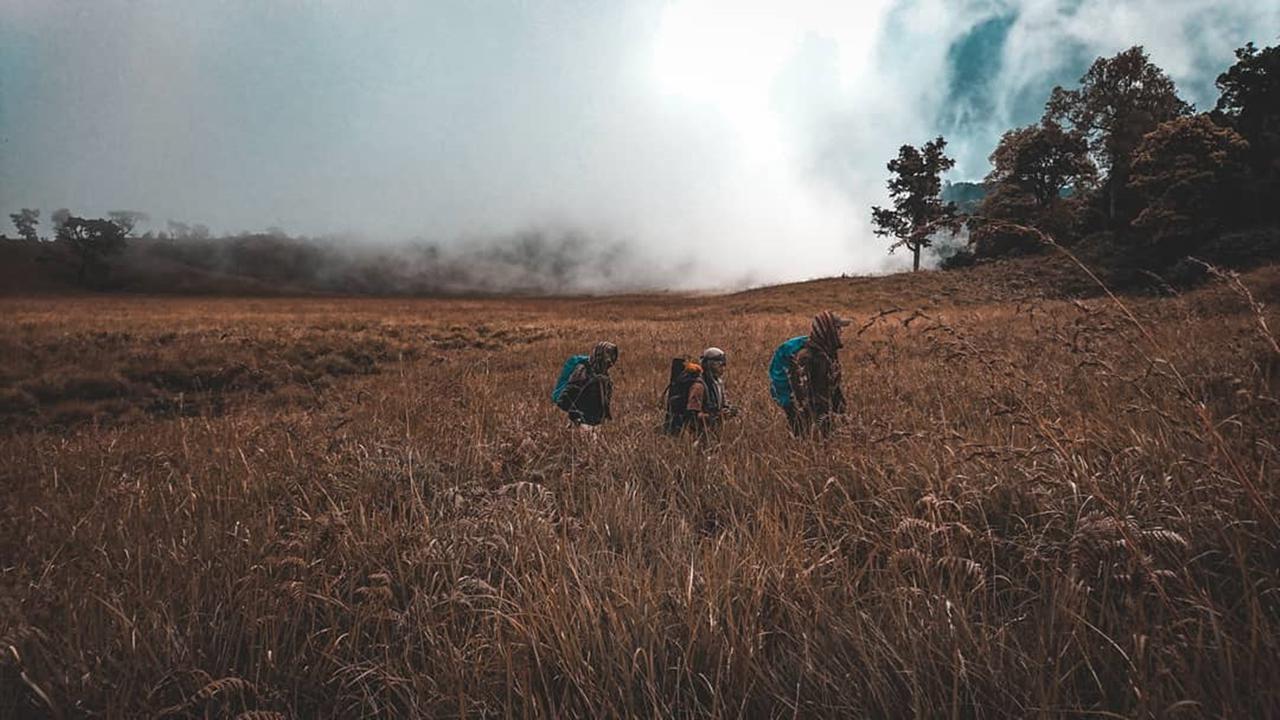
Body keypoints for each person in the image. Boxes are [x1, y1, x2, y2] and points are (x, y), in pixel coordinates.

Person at [770, 311, 848, 436]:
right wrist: (824, 425)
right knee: (803, 439)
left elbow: (831, 388)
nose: (841, 331)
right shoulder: (806, 357)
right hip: (805, 419)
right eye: (838, 328)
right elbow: (805, 397)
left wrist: (840, 412)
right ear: (827, 330)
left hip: (821, 416)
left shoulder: (828, 352)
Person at [556, 341, 617, 426]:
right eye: (607, 355)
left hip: (597, 424)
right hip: (582, 425)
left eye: (612, 356)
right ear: (599, 355)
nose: (610, 360)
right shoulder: (583, 372)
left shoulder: (604, 375)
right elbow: (564, 400)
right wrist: (577, 416)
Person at [682, 347, 736, 437]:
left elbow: (723, 405)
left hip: (713, 434)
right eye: (720, 365)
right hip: (697, 436)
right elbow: (692, 417)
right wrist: (715, 416)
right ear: (711, 365)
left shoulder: (718, 383)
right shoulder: (698, 386)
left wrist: (729, 411)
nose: (723, 368)